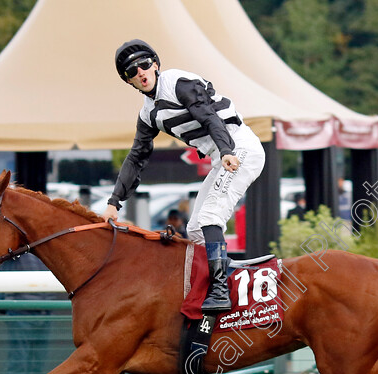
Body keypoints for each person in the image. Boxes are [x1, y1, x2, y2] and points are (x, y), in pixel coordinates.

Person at [102, 39, 265, 314]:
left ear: (155, 64)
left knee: (211, 217)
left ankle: (220, 290)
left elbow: (209, 117)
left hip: (238, 147)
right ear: (128, 82)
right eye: (132, 72)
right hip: (220, 155)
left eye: (144, 65)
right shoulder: (148, 114)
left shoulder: (178, 82)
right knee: (195, 230)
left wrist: (226, 150)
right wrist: (113, 202)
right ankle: (223, 279)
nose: (140, 73)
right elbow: (136, 157)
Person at [0, 253, 52, 374]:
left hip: (45, 311)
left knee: (36, 368)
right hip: (20, 311)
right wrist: (2, 304)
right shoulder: (17, 240)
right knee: (19, 366)